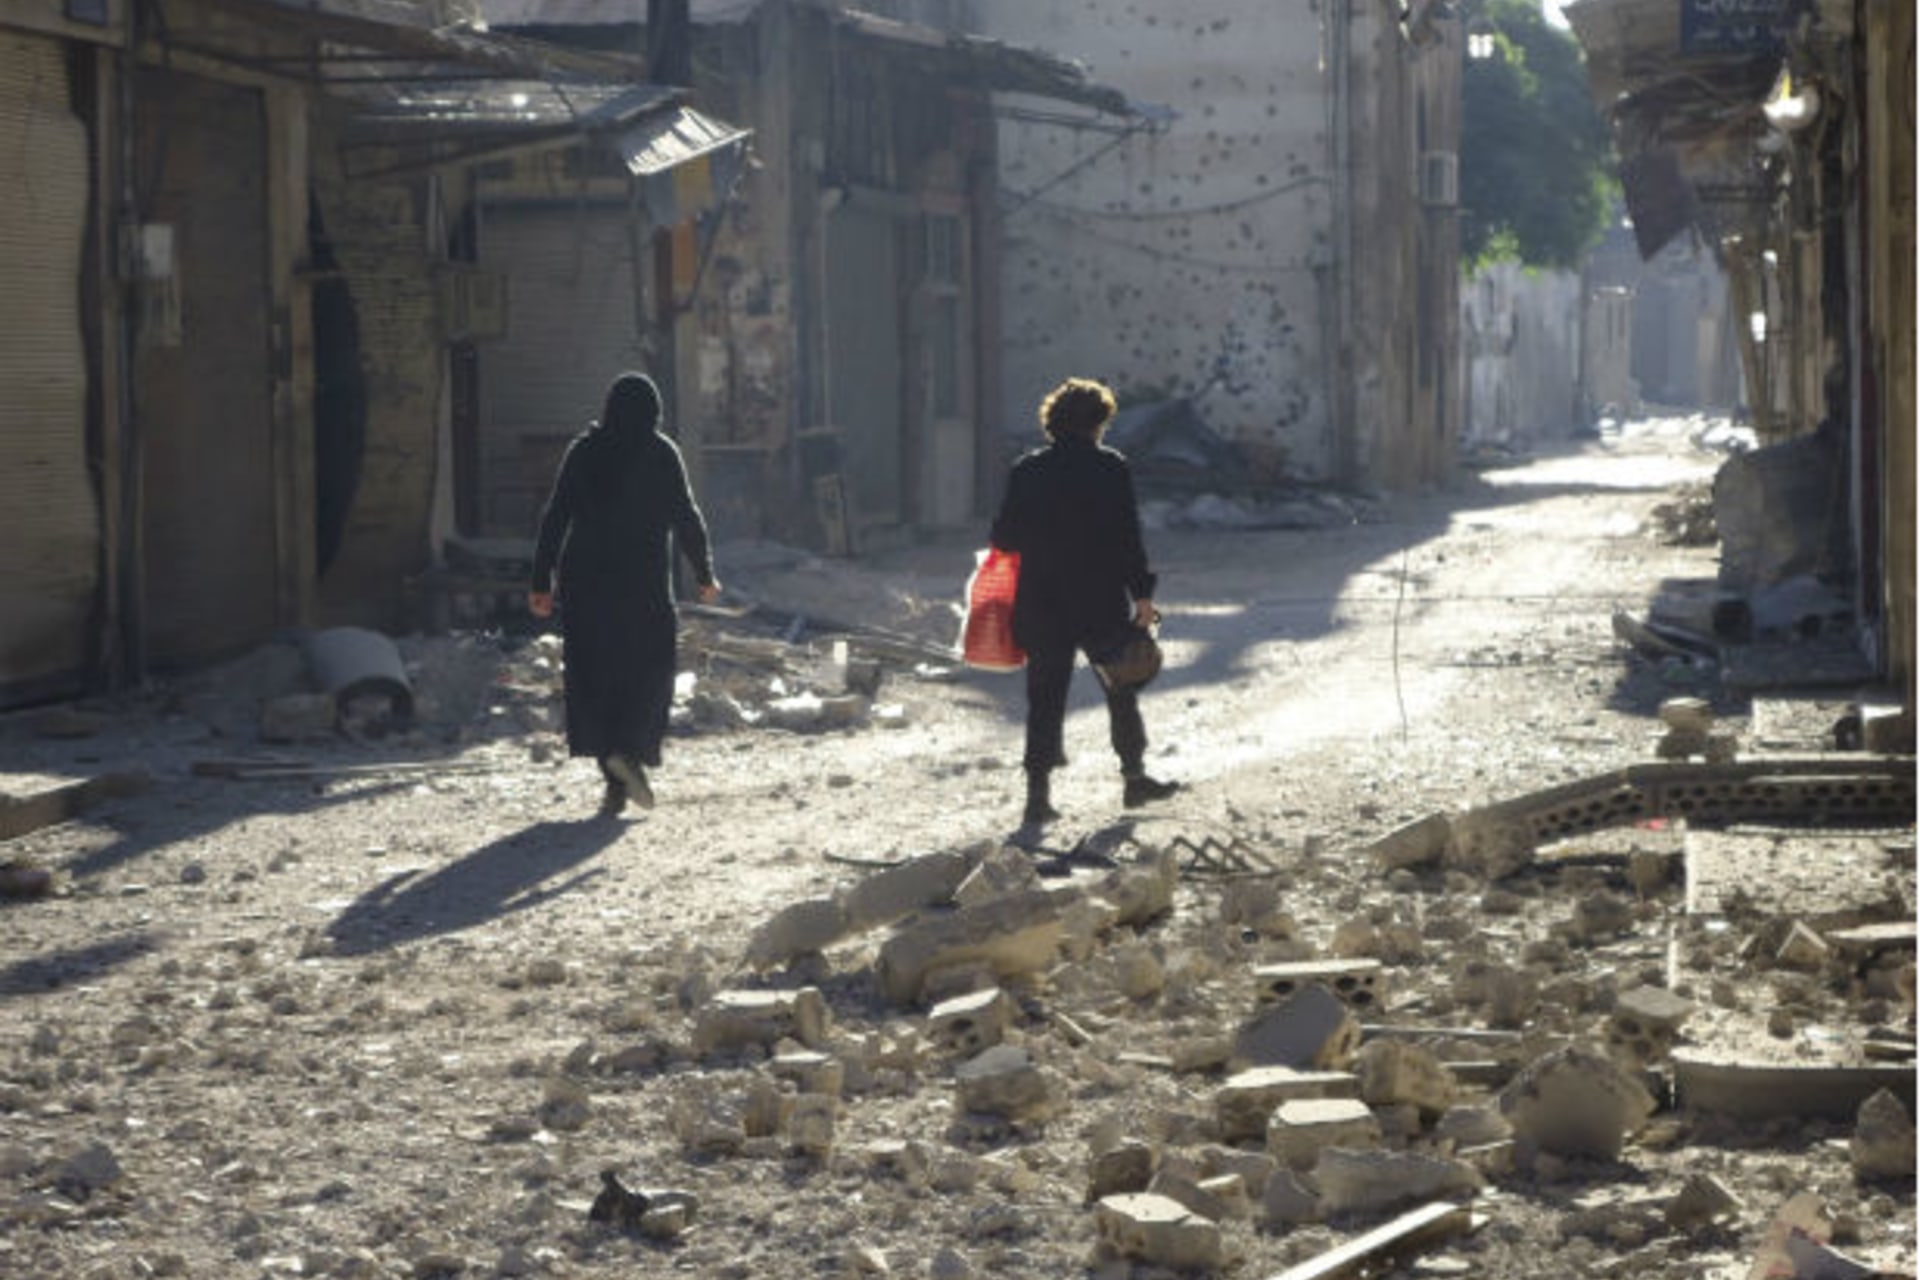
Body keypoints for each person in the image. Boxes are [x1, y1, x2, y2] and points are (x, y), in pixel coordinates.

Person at [989, 376, 1180, 826]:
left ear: (1052, 422)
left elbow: (1003, 536)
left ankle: (1038, 798)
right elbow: (1127, 540)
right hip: (1098, 600)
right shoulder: (1110, 468)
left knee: (1045, 697)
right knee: (1122, 688)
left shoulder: (1027, 471)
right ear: (1098, 423)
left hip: (1042, 601)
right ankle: (1134, 778)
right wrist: (1143, 595)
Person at [528, 372, 720, 816]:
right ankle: (628, 754)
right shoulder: (660, 453)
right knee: (649, 672)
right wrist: (705, 572)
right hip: (642, 586)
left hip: (586, 586)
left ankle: (614, 777)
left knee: (596, 677)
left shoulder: (585, 451)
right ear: (654, 412)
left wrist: (541, 581)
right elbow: (687, 516)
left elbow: (555, 517)